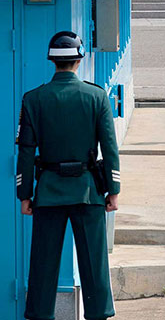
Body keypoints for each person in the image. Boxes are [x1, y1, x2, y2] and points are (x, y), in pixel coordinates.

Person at [16, 31, 120, 320]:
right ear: (79, 60)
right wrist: (113, 189)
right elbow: (109, 149)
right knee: (93, 264)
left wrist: (24, 195)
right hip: (88, 191)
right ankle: (98, 315)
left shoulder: (33, 99)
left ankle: (40, 315)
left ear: (53, 62)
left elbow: (26, 151)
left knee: (43, 264)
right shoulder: (96, 96)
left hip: (48, 192)